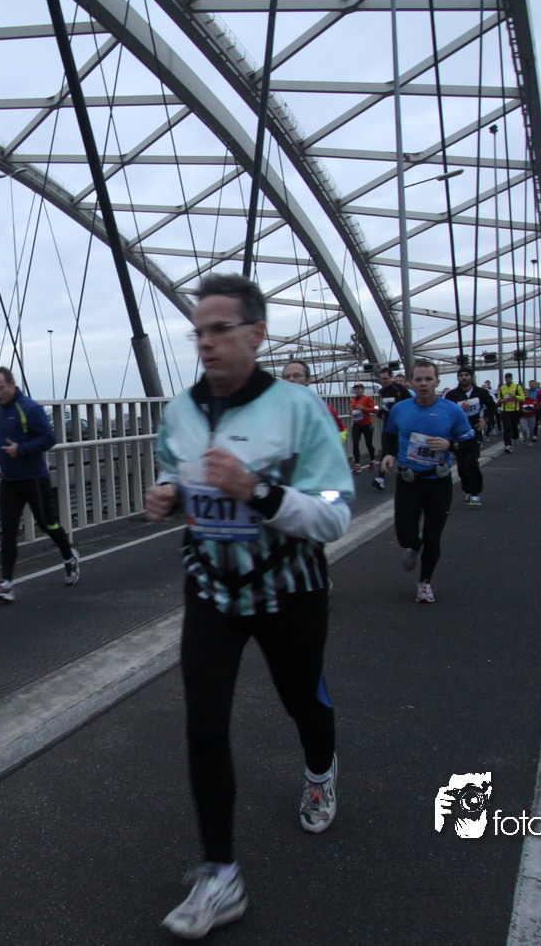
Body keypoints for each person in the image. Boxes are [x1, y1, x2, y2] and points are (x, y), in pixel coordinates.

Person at [144, 274, 352, 940]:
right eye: (197, 333)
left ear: (257, 334)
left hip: (288, 589)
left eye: (219, 330)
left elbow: (334, 515)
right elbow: (173, 470)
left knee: (301, 701)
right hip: (211, 587)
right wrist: (168, 495)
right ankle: (220, 875)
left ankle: (320, 769)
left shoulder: (299, 409)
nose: (205, 343)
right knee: (204, 726)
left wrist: (257, 492)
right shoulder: (180, 411)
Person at [0, 367, 79, 602]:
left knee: (48, 524)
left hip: (34, 479)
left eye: (1, 388)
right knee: (8, 531)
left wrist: (21, 450)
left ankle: (69, 557)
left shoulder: (29, 408)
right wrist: (0, 453)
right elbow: (7, 437)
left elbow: (48, 438)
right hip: (9, 481)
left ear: (12, 384)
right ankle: (7, 584)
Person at [382, 361, 475, 603]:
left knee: (433, 538)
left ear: (437, 382)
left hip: (438, 482)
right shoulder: (400, 409)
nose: (423, 384)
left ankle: (424, 582)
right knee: (405, 536)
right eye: (419, 379)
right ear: (411, 383)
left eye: (428, 379)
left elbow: (470, 441)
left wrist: (450, 445)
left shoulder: (452, 411)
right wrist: (388, 454)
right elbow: (389, 434)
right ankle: (414, 545)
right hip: (408, 481)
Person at [443, 368, 496, 506]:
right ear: (457, 378)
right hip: (458, 434)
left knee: (471, 463)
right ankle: (466, 489)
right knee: (461, 465)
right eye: (461, 375)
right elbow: (445, 413)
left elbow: (492, 407)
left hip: (474, 432)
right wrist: (459, 411)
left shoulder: (481, 393)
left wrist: (485, 419)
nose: (463, 377)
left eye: (466, 375)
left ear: (472, 377)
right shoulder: (452, 395)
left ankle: (475, 492)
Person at [281, 359, 347, 446]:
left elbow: (340, 433)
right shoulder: (273, 410)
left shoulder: (323, 410)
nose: (291, 379)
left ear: (308, 380)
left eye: (297, 376)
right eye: (287, 377)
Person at [373, 368, 413, 492]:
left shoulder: (400, 390)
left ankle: (405, 474)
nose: (384, 381)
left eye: (386, 378)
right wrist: (381, 412)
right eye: (382, 379)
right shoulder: (382, 391)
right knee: (385, 449)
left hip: (400, 424)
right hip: (388, 424)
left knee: (400, 450)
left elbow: (410, 404)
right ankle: (380, 478)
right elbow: (385, 406)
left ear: (391, 377)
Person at [348, 383, 378, 472]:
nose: (357, 391)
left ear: (363, 390)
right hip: (356, 424)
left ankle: (372, 459)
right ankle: (357, 463)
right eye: (355, 389)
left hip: (367, 424)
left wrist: (364, 408)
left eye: (359, 389)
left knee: (369, 444)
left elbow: (375, 409)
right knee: (355, 443)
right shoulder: (352, 400)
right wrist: (351, 412)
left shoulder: (367, 399)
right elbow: (355, 411)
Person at [497, 372, 526, 453]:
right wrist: (501, 400)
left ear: (511, 378)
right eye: (506, 378)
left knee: (514, 426)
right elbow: (498, 399)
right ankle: (508, 445)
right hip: (505, 410)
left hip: (514, 410)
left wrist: (515, 396)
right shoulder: (502, 388)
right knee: (506, 428)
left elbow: (523, 398)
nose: (507, 380)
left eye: (509, 378)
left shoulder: (517, 387)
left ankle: (515, 437)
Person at [520, 379, 540, 445]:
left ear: (529, 393)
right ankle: (524, 438)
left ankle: (530, 441)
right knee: (524, 429)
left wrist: (533, 407)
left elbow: (537, 408)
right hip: (523, 416)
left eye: (526, 393)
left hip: (532, 416)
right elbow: (518, 408)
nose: (525, 394)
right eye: (524, 393)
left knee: (531, 430)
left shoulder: (533, 400)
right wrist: (521, 409)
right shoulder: (520, 401)